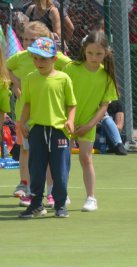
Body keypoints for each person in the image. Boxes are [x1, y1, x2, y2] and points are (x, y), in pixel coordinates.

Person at [8, 21, 72, 207]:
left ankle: (53, 191)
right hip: (26, 116)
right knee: (27, 151)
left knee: (51, 156)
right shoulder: (20, 57)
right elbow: (7, 68)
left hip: (49, 116)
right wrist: (17, 84)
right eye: (25, 39)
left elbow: (71, 66)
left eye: (33, 39)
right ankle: (27, 186)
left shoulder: (54, 57)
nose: (28, 43)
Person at [18, 37, 76, 218]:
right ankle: (35, 204)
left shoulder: (64, 79)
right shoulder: (30, 79)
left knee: (59, 169)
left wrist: (70, 120)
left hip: (59, 130)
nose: (38, 62)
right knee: (36, 168)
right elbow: (27, 104)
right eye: (35, 58)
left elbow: (71, 104)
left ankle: (60, 205)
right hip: (36, 131)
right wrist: (21, 123)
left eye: (43, 58)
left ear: (54, 59)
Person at [63, 31, 119, 213]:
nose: (94, 58)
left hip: (88, 123)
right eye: (90, 53)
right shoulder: (71, 69)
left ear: (106, 53)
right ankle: (59, 194)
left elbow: (104, 107)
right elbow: (60, 94)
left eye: (99, 54)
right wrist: (67, 120)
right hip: (64, 122)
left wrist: (89, 125)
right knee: (61, 160)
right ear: (84, 51)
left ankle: (91, 197)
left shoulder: (107, 76)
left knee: (86, 158)